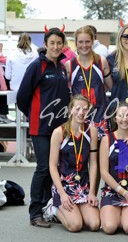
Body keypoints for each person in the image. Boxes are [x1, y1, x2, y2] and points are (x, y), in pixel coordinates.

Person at [17, 26, 71, 228]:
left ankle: (50, 209)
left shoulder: (62, 67)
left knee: (55, 168)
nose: (56, 47)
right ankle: (35, 213)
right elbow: (23, 97)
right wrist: (34, 116)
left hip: (60, 128)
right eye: (52, 43)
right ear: (45, 44)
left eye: (59, 43)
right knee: (42, 168)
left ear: (63, 45)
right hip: (40, 127)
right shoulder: (36, 66)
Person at [49, 95, 100, 232]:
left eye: (85, 109)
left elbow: (94, 164)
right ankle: (53, 208)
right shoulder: (59, 132)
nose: (81, 113)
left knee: (95, 224)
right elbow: (52, 166)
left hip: (83, 186)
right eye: (77, 108)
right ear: (70, 110)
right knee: (76, 225)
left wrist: (92, 192)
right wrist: (62, 194)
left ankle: (77, 210)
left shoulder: (92, 131)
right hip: (64, 186)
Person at [99, 102, 128, 234]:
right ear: (115, 118)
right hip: (114, 189)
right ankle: (114, 213)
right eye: (121, 115)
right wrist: (122, 191)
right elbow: (104, 172)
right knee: (109, 227)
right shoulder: (106, 139)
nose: (124, 119)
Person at [64, 26, 112, 139]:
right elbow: (65, 92)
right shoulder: (69, 65)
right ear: (76, 42)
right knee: (80, 153)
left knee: (101, 153)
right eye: (80, 42)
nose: (84, 45)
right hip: (78, 117)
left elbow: (111, 87)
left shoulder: (101, 62)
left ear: (93, 42)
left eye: (87, 42)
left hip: (100, 116)